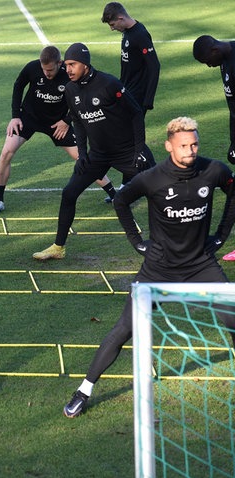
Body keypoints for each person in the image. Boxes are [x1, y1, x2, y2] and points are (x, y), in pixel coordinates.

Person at [63, 116, 235, 418]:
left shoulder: (214, 170)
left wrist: (221, 236)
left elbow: (234, 192)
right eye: (184, 145)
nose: (190, 150)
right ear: (169, 146)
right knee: (123, 329)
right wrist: (137, 241)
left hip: (200, 265)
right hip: (159, 268)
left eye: (194, 144)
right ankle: (84, 390)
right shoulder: (152, 178)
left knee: (232, 319)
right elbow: (121, 201)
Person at [33, 43, 154, 261]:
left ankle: (170, 242)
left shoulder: (108, 84)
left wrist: (139, 151)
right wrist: (82, 153)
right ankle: (58, 247)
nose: (68, 70)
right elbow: (78, 122)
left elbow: (136, 113)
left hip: (127, 151)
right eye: (67, 65)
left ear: (85, 65)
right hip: (98, 155)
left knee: (160, 190)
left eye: (73, 65)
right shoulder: (70, 90)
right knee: (69, 193)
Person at [0, 45, 116, 214]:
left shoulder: (70, 74)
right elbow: (18, 85)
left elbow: (83, 98)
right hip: (29, 118)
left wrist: (66, 120)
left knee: (82, 159)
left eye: (50, 69)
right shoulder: (32, 68)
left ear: (59, 63)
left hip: (57, 124)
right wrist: (15, 116)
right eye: (43, 69)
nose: (46, 73)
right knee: (6, 152)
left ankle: (114, 195)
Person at [101, 2, 160, 200]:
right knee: (129, 136)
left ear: (120, 18)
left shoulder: (140, 35)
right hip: (127, 93)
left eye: (112, 24)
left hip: (138, 98)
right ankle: (129, 184)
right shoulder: (127, 34)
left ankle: (153, 178)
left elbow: (154, 66)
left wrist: (148, 99)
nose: (111, 28)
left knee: (130, 137)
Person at [193, 35, 235, 261]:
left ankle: (221, 240)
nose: (209, 66)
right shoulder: (225, 60)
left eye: (207, 61)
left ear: (214, 50)